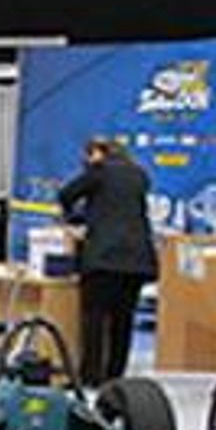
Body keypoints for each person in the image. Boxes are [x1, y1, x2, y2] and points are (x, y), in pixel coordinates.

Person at [57, 137, 157, 386]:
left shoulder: (99, 171)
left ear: (99, 153)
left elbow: (66, 194)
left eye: (88, 155)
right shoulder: (139, 175)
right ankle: (115, 377)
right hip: (137, 260)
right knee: (123, 321)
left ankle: (90, 377)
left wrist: (74, 219)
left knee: (94, 318)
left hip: (103, 258)